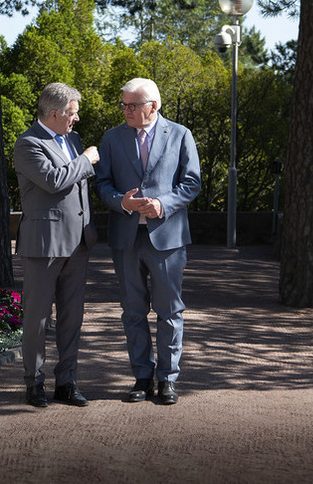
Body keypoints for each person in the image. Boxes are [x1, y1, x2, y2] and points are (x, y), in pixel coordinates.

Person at [94, 78, 201, 405]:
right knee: (133, 311)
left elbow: (192, 182)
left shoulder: (180, 134)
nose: (126, 110)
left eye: (133, 105)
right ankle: (142, 376)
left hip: (167, 237)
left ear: (153, 106)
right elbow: (102, 184)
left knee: (169, 311)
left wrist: (163, 205)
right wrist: (121, 202)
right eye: (124, 105)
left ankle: (168, 379)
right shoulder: (111, 138)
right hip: (126, 238)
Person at [13, 82, 100, 407]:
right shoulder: (28, 144)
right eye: (72, 113)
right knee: (37, 318)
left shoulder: (73, 139)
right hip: (44, 244)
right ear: (54, 113)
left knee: (71, 317)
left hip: (78, 242)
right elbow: (53, 181)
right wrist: (87, 160)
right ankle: (33, 383)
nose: (76, 119)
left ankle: (67, 382)